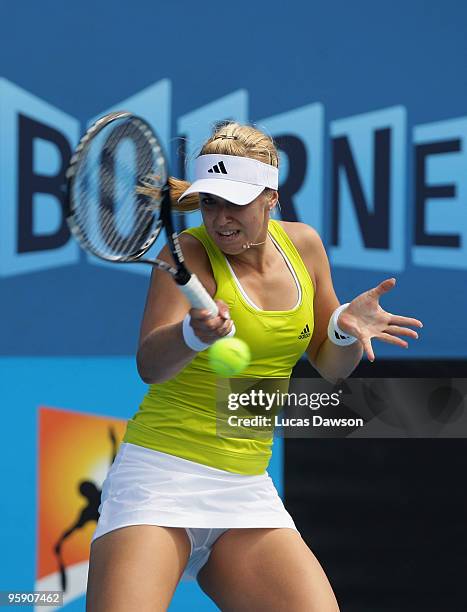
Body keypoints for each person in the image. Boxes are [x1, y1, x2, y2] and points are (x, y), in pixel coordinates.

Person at [86, 122, 422, 611]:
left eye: (235, 202)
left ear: (271, 196)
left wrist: (344, 330)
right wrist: (190, 335)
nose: (220, 219)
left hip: (245, 487)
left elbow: (331, 366)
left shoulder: (304, 246)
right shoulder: (186, 254)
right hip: (159, 478)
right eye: (209, 203)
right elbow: (150, 366)